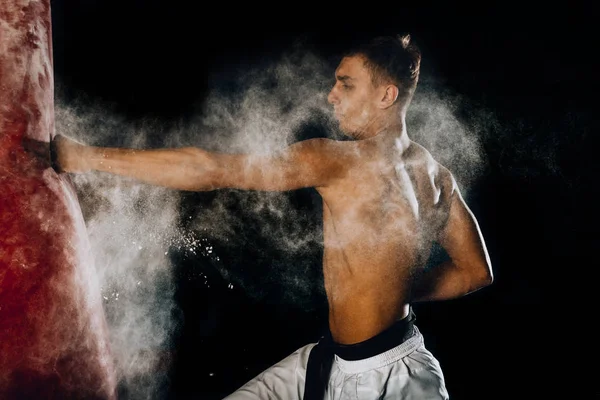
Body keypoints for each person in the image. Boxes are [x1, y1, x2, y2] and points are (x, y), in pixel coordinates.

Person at [52, 33, 493, 399]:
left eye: (346, 84)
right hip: (333, 362)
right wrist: (390, 290)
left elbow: (213, 170)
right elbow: (476, 272)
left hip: (393, 384)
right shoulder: (437, 176)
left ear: (386, 95)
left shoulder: (339, 159)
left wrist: (87, 157)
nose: (330, 95)